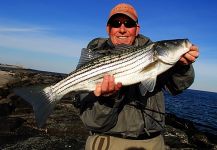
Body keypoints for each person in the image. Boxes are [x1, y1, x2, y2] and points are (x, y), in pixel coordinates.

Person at [73, 3, 199, 150]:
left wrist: (183, 66)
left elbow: (178, 86)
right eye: (116, 23)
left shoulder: (155, 55)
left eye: (129, 23)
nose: (122, 29)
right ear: (108, 29)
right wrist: (107, 99)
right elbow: (92, 121)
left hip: (154, 143)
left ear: (137, 29)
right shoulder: (94, 56)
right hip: (107, 143)